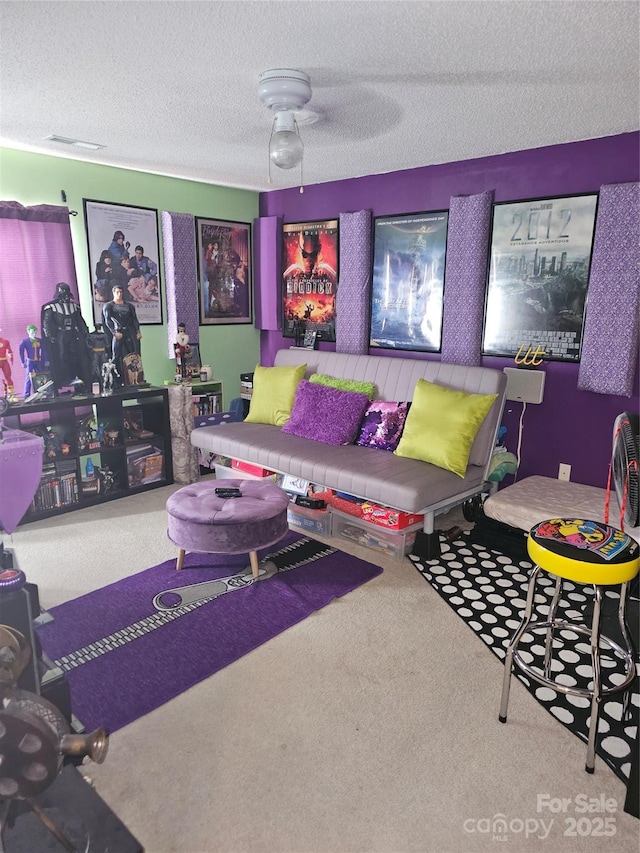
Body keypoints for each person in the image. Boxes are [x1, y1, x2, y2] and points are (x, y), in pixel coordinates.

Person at [41, 282, 92, 393]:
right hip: (60, 336)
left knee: (76, 358)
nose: (66, 298)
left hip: (73, 335)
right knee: (62, 357)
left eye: (67, 295)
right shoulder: (51, 307)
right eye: (63, 295)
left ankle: (78, 381)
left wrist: (86, 333)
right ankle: (62, 382)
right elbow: (47, 323)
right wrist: (50, 336)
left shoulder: (74, 306)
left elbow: (80, 322)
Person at [102, 285, 142, 385]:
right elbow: (108, 321)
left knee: (132, 355)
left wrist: (138, 331)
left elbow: (134, 319)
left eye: (121, 292)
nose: (119, 294)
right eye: (117, 292)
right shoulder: (109, 306)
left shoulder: (129, 306)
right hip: (117, 332)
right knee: (116, 356)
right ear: (113, 293)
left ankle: (134, 378)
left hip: (128, 332)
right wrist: (114, 333)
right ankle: (116, 380)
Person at [19, 324, 48, 397]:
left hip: (38, 361)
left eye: (35, 332)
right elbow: (21, 352)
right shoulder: (24, 341)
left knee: (41, 377)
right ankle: (26, 395)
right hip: (30, 361)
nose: (33, 334)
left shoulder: (40, 341)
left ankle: (41, 392)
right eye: (32, 332)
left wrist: (46, 360)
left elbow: (44, 351)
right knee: (28, 377)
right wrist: (22, 362)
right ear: (28, 332)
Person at [0, 332, 15, 399]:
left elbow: (9, 351)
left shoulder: (5, 341)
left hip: (4, 361)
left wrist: (10, 356)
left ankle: (11, 395)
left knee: (8, 377)